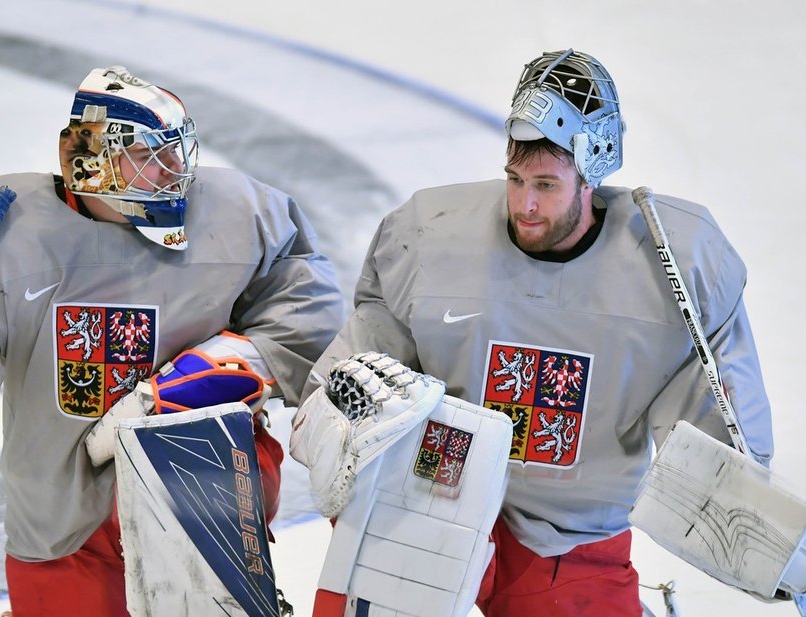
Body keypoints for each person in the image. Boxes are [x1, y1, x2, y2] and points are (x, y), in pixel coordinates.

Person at [290, 48, 774, 616]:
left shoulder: (675, 265)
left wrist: (753, 528)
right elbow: (332, 394)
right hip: (427, 510)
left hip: (567, 545)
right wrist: (344, 442)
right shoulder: (428, 236)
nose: (526, 204)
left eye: (546, 183)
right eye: (515, 179)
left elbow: (721, 459)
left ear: (591, 173)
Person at [0, 65, 344, 616]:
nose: (175, 170)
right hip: (60, 502)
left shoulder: (241, 211)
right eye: (148, 155)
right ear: (89, 158)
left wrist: (217, 370)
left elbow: (305, 305)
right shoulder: (7, 227)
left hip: (201, 488)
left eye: (178, 151)